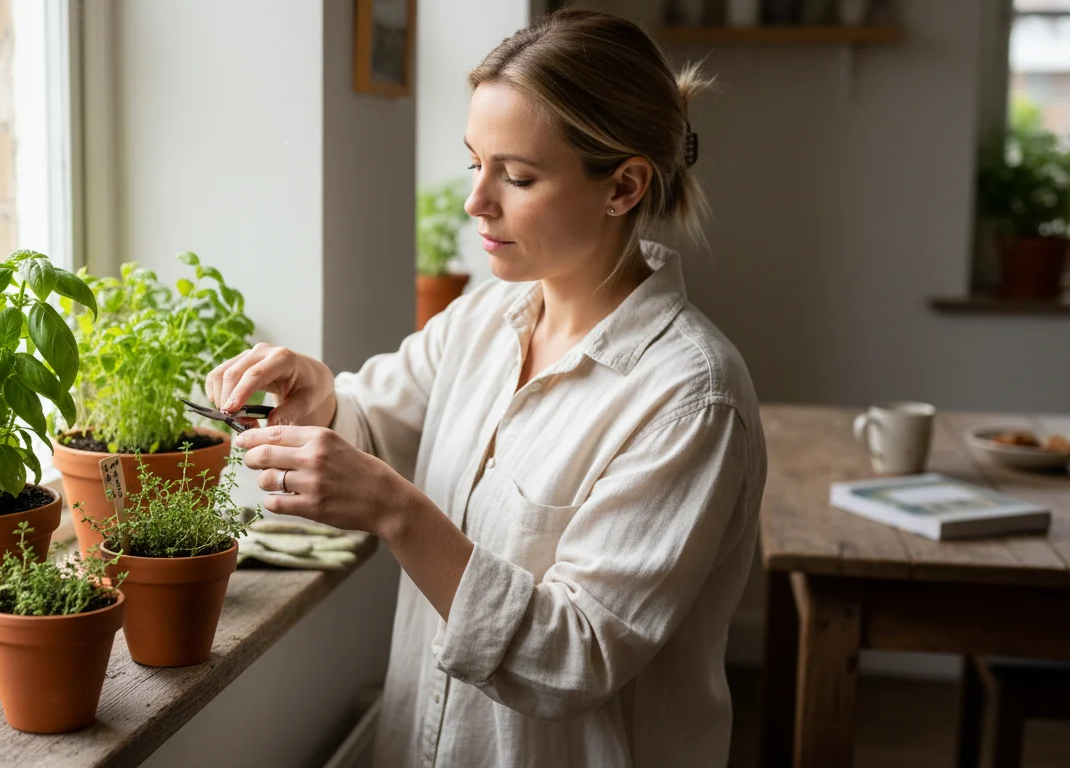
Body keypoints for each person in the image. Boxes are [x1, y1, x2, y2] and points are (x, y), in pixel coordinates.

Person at [205, 9, 766, 767]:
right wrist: (322, 398)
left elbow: (574, 657)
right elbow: (375, 417)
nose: (478, 201)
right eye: (476, 163)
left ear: (624, 186)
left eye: (519, 175)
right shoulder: (483, 317)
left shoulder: (692, 400)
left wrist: (396, 511)